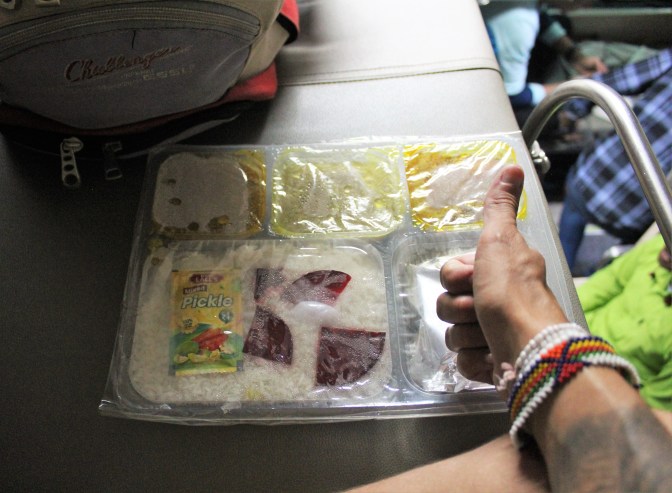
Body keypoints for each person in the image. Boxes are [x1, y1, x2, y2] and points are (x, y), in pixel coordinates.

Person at [346, 166, 672, 492]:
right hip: (578, 354)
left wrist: (533, 336)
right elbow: (594, 291)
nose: (666, 249)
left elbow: (640, 434)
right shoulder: (653, 253)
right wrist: (531, 322)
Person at [558, 46, 672, 272]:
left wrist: (571, 114)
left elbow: (610, 84)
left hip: (597, 173)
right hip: (645, 208)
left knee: (563, 251)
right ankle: (594, 277)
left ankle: (560, 272)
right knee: (618, 266)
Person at [577, 233, 672, 411]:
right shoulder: (660, 243)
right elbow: (609, 281)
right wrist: (562, 316)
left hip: (609, 388)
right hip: (578, 333)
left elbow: (650, 410)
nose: (665, 251)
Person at [481, 1, 607, 126]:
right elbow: (511, 96)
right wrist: (570, 88)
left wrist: (575, 56)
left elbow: (542, 19)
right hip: (486, 95)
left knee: (563, 23)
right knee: (543, 118)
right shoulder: (520, 23)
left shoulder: (524, 7)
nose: (590, 5)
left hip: (498, 48)